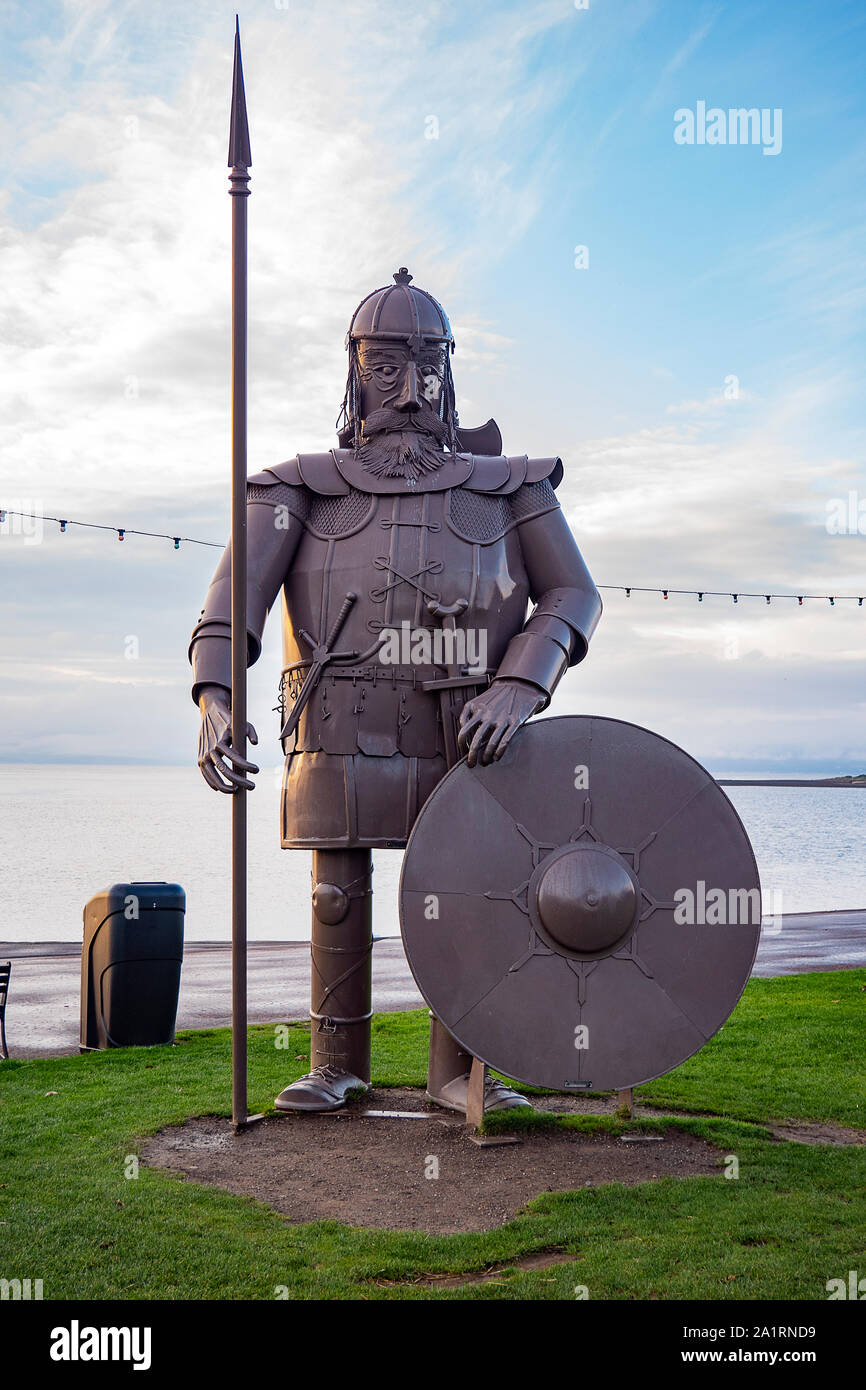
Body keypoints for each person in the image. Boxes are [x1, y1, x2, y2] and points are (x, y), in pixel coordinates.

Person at [190, 269, 602, 1113]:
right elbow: (236, 602)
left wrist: (521, 686)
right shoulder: (294, 486)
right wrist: (214, 697)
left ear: (450, 372)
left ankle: (460, 1072)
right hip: (339, 723)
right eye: (387, 366)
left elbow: (573, 595)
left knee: (466, 891)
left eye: (426, 365)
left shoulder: (513, 484)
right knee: (337, 892)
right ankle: (337, 1061)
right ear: (355, 372)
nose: (409, 388)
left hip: (470, 730)